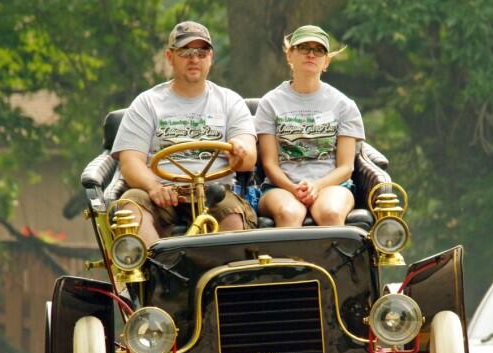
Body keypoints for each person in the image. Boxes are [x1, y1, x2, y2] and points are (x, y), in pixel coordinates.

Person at [111, 21, 258, 244]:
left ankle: (223, 277)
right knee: (131, 208)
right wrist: (154, 187)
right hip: (161, 194)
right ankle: (154, 273)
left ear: (211, 57)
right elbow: (130, 163)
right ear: (170, 57)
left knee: (234, 216)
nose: (194, 59)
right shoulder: (147, 103)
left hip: (215, 194)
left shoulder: (230, 101)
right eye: (186, 52)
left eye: (202, 52)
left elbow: (248, 159)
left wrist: (240, 151)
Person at [254, 25, 365, 227]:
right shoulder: (269, 103)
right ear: (290, 55)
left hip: (332, 185)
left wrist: (317, 185)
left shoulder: (344, 105)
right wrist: (293, 188)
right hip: (280, 187)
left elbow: (346, 167)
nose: (311, 54)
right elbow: (269, 164)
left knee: (330, 213)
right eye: (304, 47)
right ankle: (288, 259)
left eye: (319, 50)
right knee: (289, 213)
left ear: (326, 61)